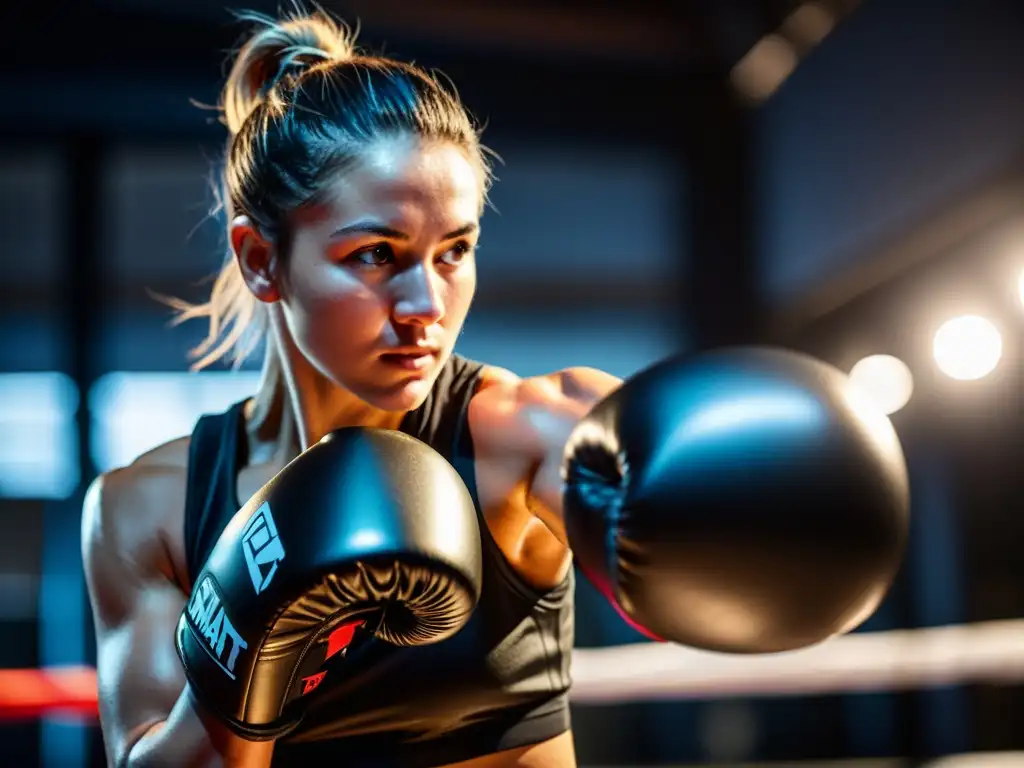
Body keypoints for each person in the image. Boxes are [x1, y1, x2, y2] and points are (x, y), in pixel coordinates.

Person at [82, 8, 909, 768]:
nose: (425, 307)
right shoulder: (146, 511)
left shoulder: (523, 437)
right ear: (262, 259)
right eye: (376, 255)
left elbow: (642, 450)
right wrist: (245, 642)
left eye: (454, 251)